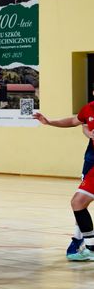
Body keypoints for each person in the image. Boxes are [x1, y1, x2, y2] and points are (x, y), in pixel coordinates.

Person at [34, 106, 94, 261]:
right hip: (91, 159)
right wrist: (49, 122)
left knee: (79, 202)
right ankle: (82, 241)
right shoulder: (89, 108)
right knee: (79, 202)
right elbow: (77, 122)